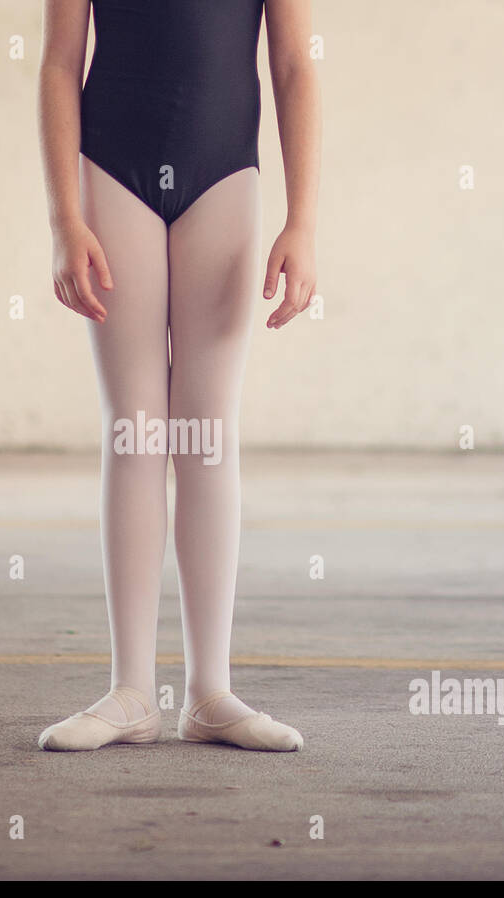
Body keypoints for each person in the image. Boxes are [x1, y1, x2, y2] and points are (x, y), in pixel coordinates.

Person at [36, 0, 320, 751]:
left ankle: (210, 691)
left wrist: (304, 221)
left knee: (207, 431)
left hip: (223, 173)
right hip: (113, 173)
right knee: (134, 427)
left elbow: (292, 64)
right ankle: (130, 690)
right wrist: (66, 220)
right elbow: (61, 62)